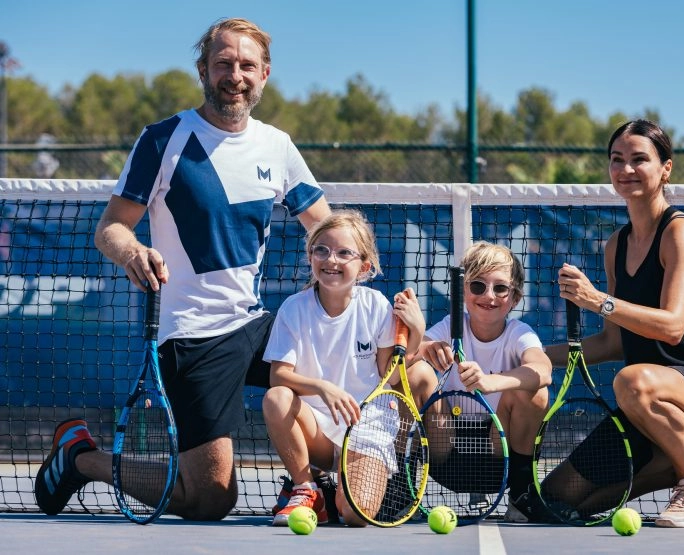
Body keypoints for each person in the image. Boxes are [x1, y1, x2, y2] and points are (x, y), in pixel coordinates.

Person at [35, 17, 331, 521]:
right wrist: (131, 252)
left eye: (246, 65)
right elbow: (111, 226)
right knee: (210, 499)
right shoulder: (163, 140)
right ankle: (82, 460)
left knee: (336, 367)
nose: (234, 75)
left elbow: (327, 227)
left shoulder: (277, 146)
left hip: (257, 323)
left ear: (264, 75)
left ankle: (309, 482)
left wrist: (354, 279)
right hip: (194, 336)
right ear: (203, 70)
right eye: (223, 64)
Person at [539, 119, 684, 528]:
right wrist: (530, 356)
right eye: (617, 160)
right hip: (648, 404)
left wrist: (596, 300)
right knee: (556, 500)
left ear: (666, 168)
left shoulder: (681, 234)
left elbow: (672, 328)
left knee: (631, 381)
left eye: (639, 159)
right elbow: (611, 343)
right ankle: (672, 466)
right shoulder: (616, 246)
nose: (626, 169)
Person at [262, 209, 426, 527]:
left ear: (363, 266)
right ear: (310, 257)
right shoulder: (293, 309)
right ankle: (307, 488)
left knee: (355, 515)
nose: (331, 260)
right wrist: (324, 388)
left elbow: (390, 376)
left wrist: (416, 332)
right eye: (321, 249)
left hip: (367, 430)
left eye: (344, 252)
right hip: (318, 431)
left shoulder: (376, 306)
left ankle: (344, 485)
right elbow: (278, 376)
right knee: (277, 398)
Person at [411, 241, 553, 523]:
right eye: (478, 286)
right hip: (447, 455)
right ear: (464, 292)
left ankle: (521, 493)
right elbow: (398, 366)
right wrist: (423, 349)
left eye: (500, 288)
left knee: (535, 390)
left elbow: (543, 369)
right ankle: (402, 488)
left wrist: (490, 382)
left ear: (514, 298)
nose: (489, 296)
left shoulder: (518, 332)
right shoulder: (451, 325)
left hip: (498, 458)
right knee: (417, 374)